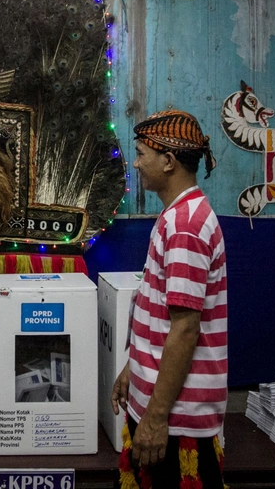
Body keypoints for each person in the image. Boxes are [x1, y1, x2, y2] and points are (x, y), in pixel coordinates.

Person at [111, 109, 227, 489]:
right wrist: (134, 368)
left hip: (176, 426)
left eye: (142, 153)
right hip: (160, 411)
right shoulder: (176, 216)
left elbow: (184, 328)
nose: (137, 164)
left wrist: (157, 417)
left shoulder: (186, 226)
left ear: (168, 160)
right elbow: (160, 314)